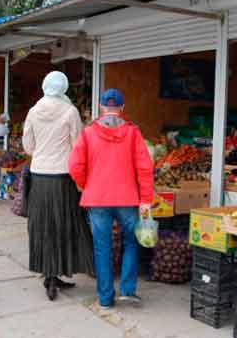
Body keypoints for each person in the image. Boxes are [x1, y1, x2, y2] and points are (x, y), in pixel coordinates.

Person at [68, 88, 154, 309]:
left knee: (102, 247)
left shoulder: (88, 133)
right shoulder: (133, 133)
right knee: (131, 242)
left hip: (97, 200)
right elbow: (145, 168)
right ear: (122, 108)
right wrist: (145, 199)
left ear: (101, 107)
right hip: (127, 199)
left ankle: (105, 298)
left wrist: (87, 185)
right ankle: (127, 290)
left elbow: (75, 165)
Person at [22, 71, 94, 301]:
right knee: (63, 225)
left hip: (40, 177)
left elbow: (28, 146)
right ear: (63, 87)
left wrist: (43, 151)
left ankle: (49, 275)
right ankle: (57, 274)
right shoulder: (70, 111)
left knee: (43, 226)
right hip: (63, 177)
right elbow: (78, 145)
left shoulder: (33, 111)